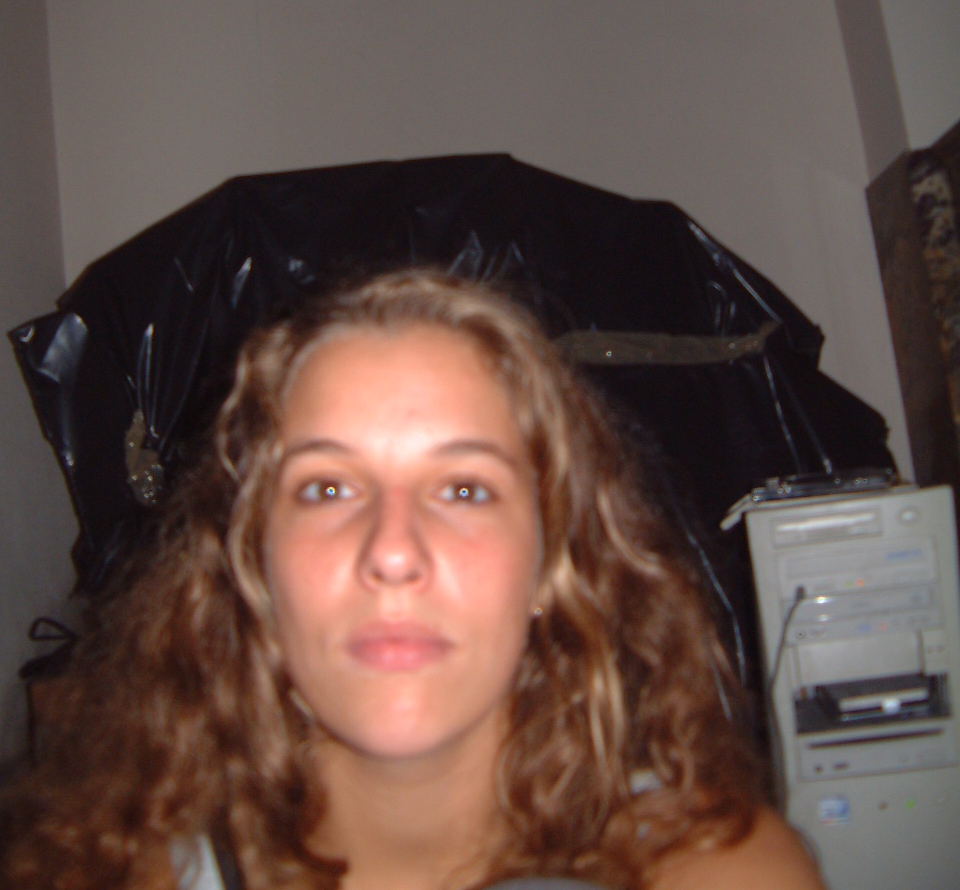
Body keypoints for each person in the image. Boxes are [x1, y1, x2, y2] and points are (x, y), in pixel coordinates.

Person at [0, 269, 825, 890]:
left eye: (464, 489)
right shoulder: (114, 870)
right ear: (254, 564)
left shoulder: (725, 872)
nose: (393, 552)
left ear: (553, 560)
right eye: (327, 489)